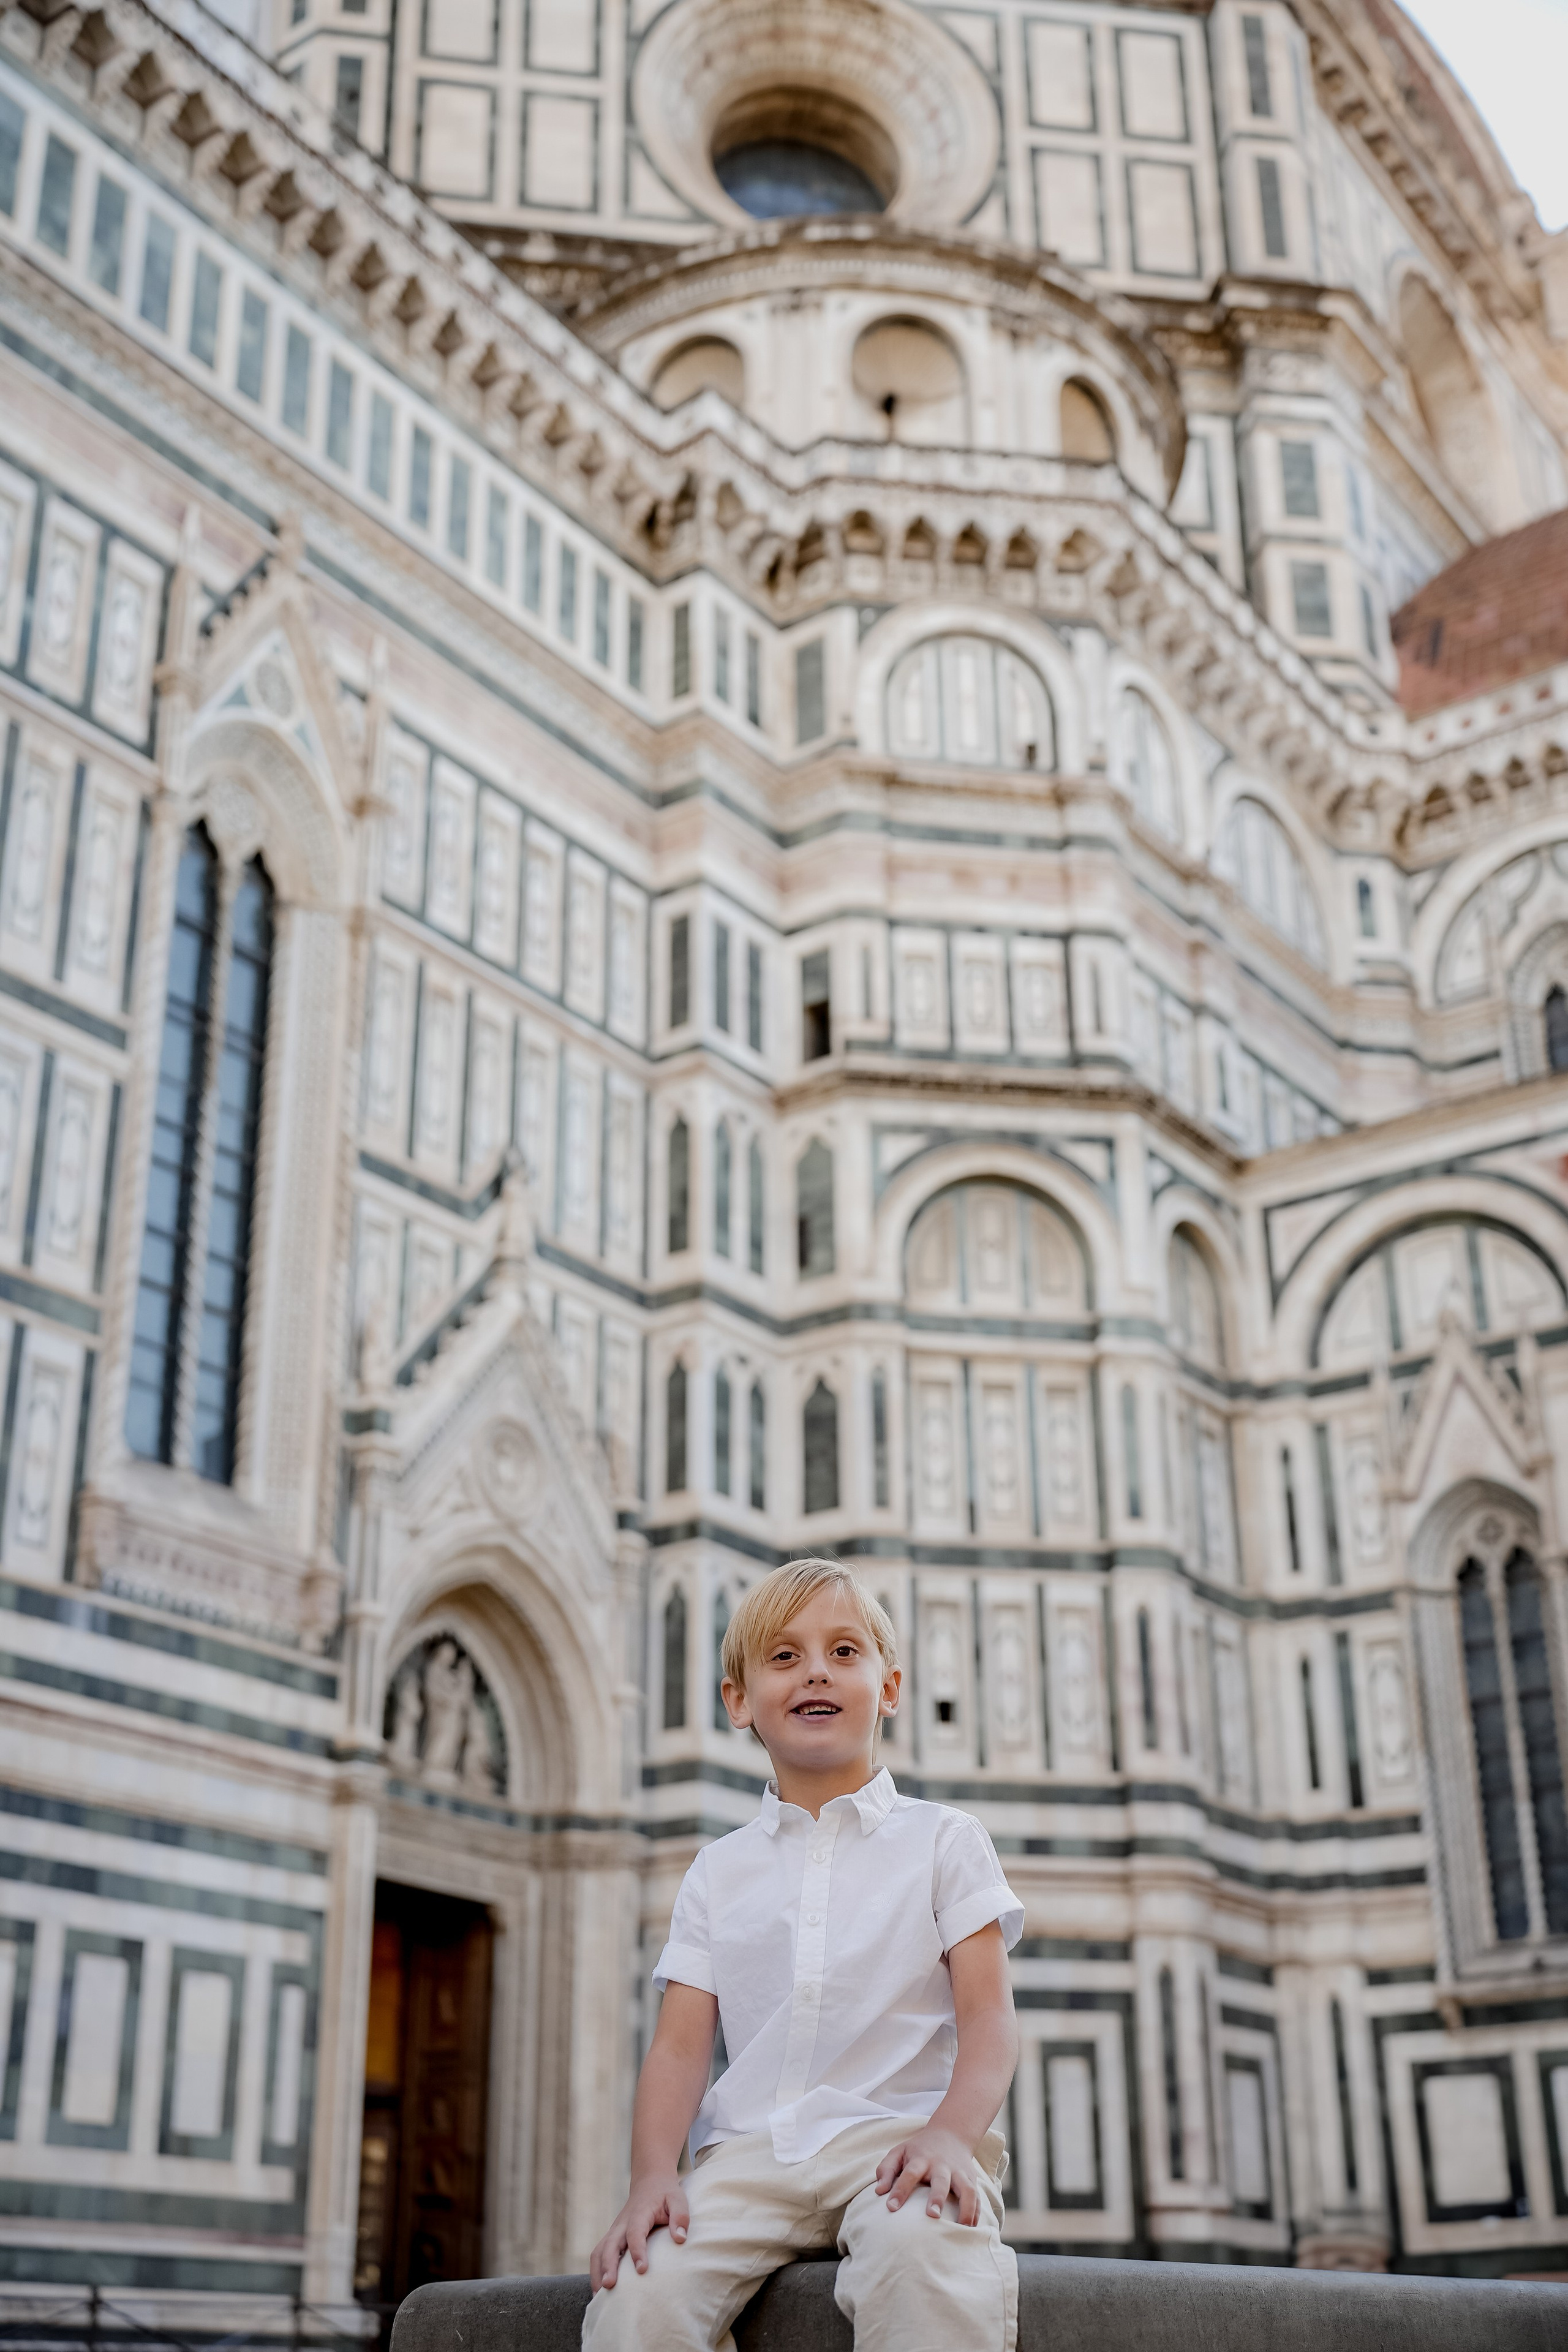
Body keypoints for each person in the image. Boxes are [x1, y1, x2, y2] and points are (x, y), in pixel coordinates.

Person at [584, 1557, 1022, 2352]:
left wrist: (952, 2136)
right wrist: (652, 2176)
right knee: (640, 2292)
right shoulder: (717, 1872)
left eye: (844, 1652)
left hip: (898, 2142)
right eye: (784, 1656)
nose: (815, 1670)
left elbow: (989, 2017)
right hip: (749, 2159)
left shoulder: (945, 1841)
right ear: (739, 1701)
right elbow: (679, 2051)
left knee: (926, 2254)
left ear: (890, 1688)